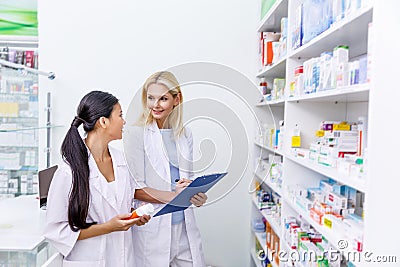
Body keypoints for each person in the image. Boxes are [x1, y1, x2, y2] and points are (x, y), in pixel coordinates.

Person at [44, 91, 150, 267]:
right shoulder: (68, 173)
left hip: (124, 258)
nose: (124, 122)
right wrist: (108, 227)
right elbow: (56, 230)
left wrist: (134, 216)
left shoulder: (122, 161)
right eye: (120, 115)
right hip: (90, 260)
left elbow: (117, 204)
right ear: (103, 122)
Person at [124, 71, 208, 267]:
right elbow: (134, 188)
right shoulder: (135, 134)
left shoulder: (185, 134)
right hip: (153, 226)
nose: (155, 105)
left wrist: (196, 195)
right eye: (151, 98)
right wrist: (175, 196)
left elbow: (187, 180)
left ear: (176, 99)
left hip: (183, 226)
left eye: (163, 99)